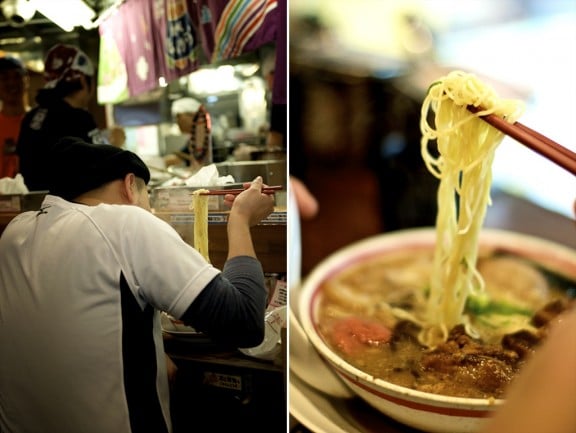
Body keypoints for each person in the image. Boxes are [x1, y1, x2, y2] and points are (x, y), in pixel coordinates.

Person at [0, 136, 275, 433]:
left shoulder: (15, 233)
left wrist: (155, 350)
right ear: (130, 186)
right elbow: (245, 323)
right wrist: (241, 220)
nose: (150, 210)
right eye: (149, 198)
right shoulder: (125, 223)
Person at [17, 43, 106, 191]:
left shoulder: (30, 118)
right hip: (72, 209)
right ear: (83, 79)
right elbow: (102, 167)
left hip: (34, 208)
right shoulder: (81, 119)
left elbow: (23, 169)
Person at [0, 56, 29, 179]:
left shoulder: (40, 124)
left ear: (26, 80)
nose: (11, 83)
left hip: (36, 197)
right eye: (5, 78)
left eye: (17, 76)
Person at [164, 96, 211, 171]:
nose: (177, 122)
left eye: (179, 117)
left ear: (192, 116)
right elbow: (182, 156)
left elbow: (204, 164)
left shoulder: (203, 137)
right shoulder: (192, 138)